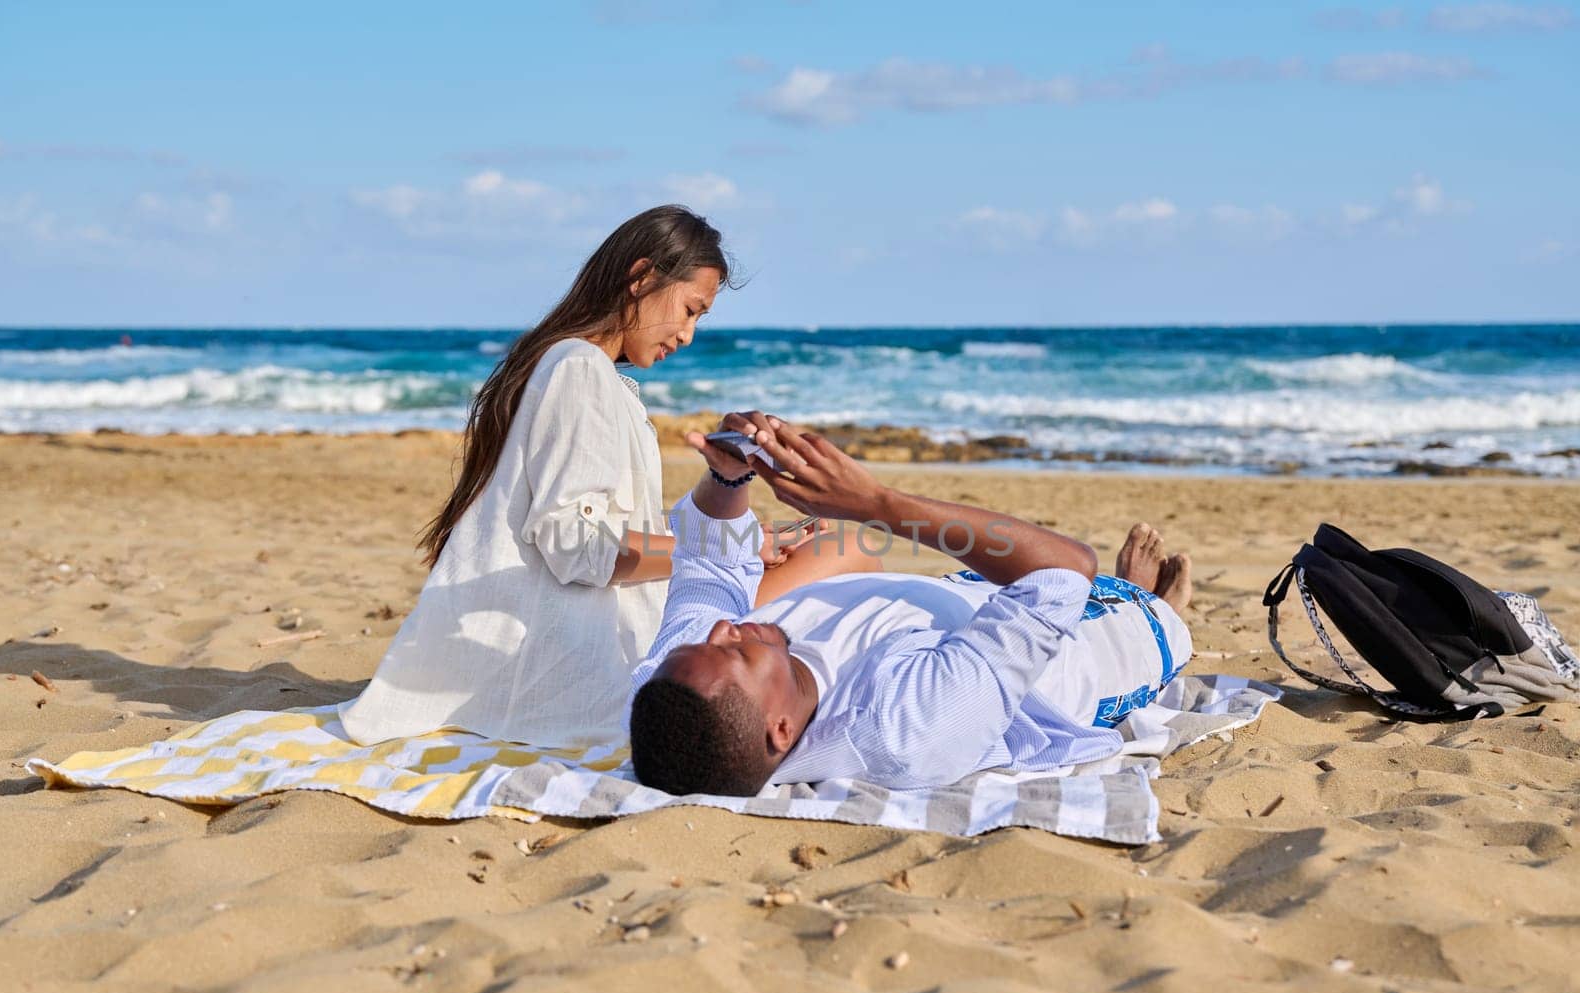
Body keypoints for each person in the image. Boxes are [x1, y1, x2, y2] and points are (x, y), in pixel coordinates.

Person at [339, 209, 876, 749]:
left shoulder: (575, 369)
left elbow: (596, 528)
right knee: (845, 551)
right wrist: (725, 547)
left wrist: (731, 516)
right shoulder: (578, 369)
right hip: (592, 663)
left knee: (830, 546)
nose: (688, 335)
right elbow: (577, 547)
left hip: (588, 636)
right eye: (690, 310)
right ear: (641, 278)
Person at [628, 411, 1195, 796]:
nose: (727, 628)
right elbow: (1065, 569)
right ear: (780, 731)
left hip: (952, 601)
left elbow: (708, 565)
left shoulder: (677, 682)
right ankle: (1148, 602)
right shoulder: (903, 726)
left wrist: (728, 477)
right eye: (740, 654)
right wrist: (875, 503)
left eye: (714, 636)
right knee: (1150, 624)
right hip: (1072, 664)